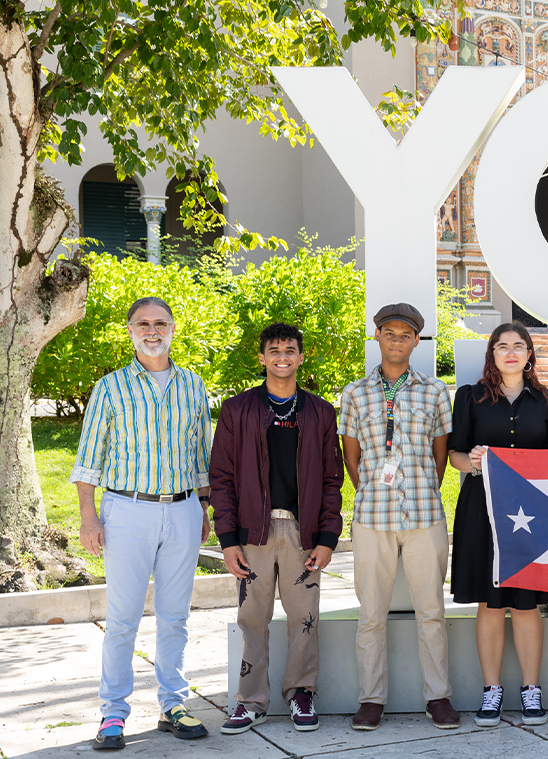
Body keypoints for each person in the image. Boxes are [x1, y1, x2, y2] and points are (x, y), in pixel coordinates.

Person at [72, 297, 213, 750]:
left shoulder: (193, 385)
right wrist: (88, 517)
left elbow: (202, 456)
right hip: (127, 512)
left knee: (175, 616)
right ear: (130, 331)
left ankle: (174, 702)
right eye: (142, 323)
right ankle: (113, 715)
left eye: (160, 322)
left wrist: (205, 509)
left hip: (184, 510)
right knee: (123, 619)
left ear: (173, 327)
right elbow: (88, 460)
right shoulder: (110, 388)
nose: (152, 330)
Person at [210, 323, 344, 734]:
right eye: (274, 350)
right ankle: (250, 701)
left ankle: (300, 693)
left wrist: (327, 538)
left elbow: (331, 479)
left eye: (290, 350)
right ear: (262, 358)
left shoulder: (320, 411)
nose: (282, 356)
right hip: (254, 532)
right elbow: (222, 477)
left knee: (305, 615)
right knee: (252, 616)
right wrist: (228, 541)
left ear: (301, 358)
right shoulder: (237, 410)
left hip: (302, 533)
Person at [338, 303, 459, 731]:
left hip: (424, 514)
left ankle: (438, 697)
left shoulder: (434, 391)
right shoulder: (355, 393)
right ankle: (371, 699)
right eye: (389, 333)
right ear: (377, 337)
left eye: (405, 335)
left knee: (432, 611)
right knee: (371, 613)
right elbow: (351, 454)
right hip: (372, 516)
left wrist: (423, 485)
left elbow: (440, 452)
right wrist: (369, 487)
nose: (396, 340)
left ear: (416, 342)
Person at [448, 323, 548, 728]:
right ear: (492, 354)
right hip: (483, 510)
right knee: (490, 601)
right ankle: (492, 691)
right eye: (502, 346)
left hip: (532, 512)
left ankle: (531, 691)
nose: (511, 352)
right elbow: (455, 456)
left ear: (530, 353)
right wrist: (473, 462)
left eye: (519, 346)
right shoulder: (470, 397)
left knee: (528, 603)